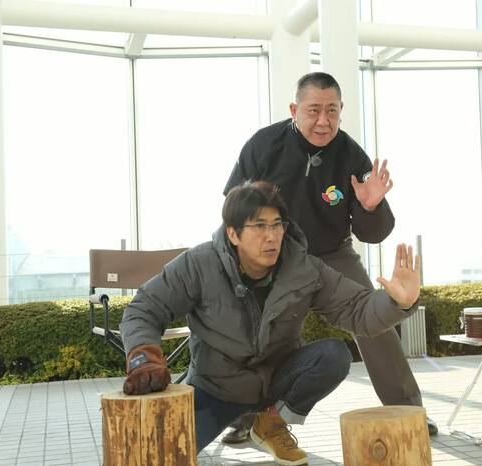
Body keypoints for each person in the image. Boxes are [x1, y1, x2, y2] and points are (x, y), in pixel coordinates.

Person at [120, 181, 421, 465]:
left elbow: (356, 309)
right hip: (216, 389)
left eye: (277, 225)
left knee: (334, 356)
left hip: (276, 382)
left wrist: (398, 302)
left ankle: (271, 423)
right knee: (165, 455)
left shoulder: (304, 268)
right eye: (260, 226)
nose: (272, 236)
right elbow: (144, 308)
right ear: (233, 234)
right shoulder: (198, 264)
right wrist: (143, 357)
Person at [223, 72, 436, 440]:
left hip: (332, 253)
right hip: (275, 255)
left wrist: (370, 207)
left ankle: (408, 410)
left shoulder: (350, 155)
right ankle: (243, 418)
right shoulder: (264, 145)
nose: (323, 121)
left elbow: (373, 234)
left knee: (375, 321)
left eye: (332, 111)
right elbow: (233, 205)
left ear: (341, 111)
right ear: (295, 110)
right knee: (254, 331)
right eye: (314, 110)